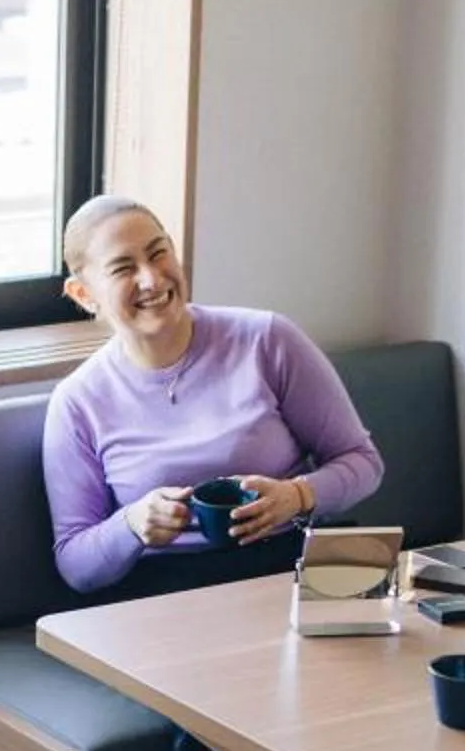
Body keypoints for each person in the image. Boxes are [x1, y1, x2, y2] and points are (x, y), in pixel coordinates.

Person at [40, 195, 385, 595]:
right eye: (123, 268)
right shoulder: (78, 401)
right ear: (84, 294)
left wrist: (297, 495)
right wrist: (132, 525)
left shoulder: (267, 340)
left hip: (285, 571)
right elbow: (76, 565)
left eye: (159, 253)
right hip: (166, 596)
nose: (151, 279)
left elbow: (363, 463)